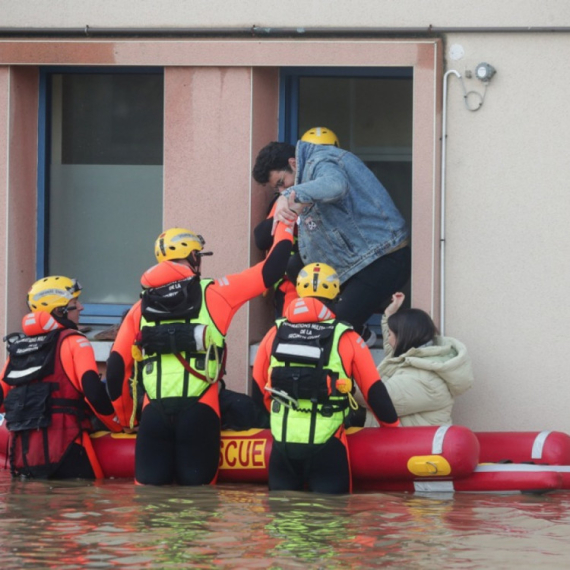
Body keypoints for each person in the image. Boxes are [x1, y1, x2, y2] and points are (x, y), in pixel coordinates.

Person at [106, 225, 293, 486]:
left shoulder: (140, 308)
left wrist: (126, 419)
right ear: (194, 258)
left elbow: (115, 369)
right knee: (198, 504)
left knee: (149, 506)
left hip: (153, 415)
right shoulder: (216, 293)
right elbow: (271, 270)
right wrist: (286, 223)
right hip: (200, 410)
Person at [252, 262, 399, 494]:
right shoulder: (347, 336)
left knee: (282, 520)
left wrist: (276, 413)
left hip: (283, 441)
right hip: (328, 444)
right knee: (332, 521)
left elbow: (260, 382)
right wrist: (393, 428)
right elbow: (373, 390)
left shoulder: (274, 333)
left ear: (299, 290)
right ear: (335, 294)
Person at [252, 138, 411, 345]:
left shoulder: (321, 161)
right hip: (354, 258)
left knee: (332, 330)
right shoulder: (304, 177)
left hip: (384, 257)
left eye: (282, 183)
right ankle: (357, 330)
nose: (282, 192)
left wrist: (292, 194)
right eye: (278, 190)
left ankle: (349, 331)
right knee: (296, 267)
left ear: (293, 163)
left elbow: (335, 185)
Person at [0, 276, 121, 479]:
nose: (81, 308)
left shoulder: (17, 350)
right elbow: (93, 392)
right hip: (69, 446)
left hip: (24, 453)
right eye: (74, 304)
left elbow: (2, 402)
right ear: (59, 311)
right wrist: (118, 425)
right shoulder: (74, 341)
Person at [253, 127, 341, 317]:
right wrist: (287, 210)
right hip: (293, 285)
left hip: (331, 283)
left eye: (281, 182)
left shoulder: (336, 192)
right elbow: (261, 237)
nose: (282, 189)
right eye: (278, 186)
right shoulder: (286, 198)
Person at [369, 292, 474, 427]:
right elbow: (392, 348)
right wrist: (390, 313)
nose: (388, 340)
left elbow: (381, 399)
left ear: (404, 336)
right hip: (401, 442)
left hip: (411, 446)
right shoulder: (418, 357)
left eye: (390, 334)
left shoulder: (425, 378)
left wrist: (341, 383)